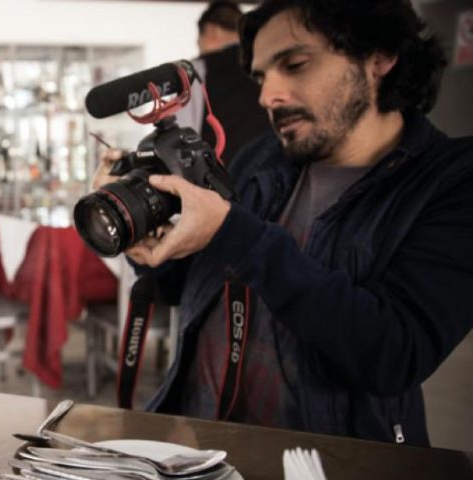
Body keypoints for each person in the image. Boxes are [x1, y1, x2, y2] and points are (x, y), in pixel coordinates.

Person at [97, 0, 473, 445]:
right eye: (260, 77)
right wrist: (147, 242)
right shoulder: (264, 156)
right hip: (200, 457)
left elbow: (395, 354)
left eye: (294, 64)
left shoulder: (450, 180)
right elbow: (184, 288)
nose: (266, 95)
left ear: (379, 57)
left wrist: (234, 234)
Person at [176, 1, 271, 165]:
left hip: (218, 183)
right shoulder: (269, 65)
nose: (198, 47)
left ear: (211, 31)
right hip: (274, 178)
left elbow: (180, 138)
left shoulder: (196, 71)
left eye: (199, 40)